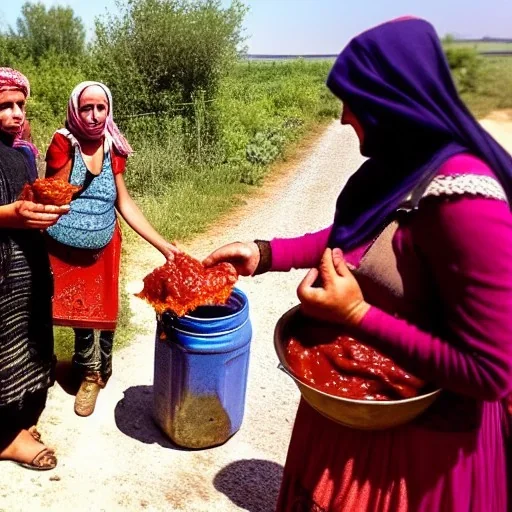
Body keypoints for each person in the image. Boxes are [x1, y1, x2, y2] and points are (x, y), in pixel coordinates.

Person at [203, 17, 512, 512]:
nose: (344, 118)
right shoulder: (399, 169)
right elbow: (363, 239)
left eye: (355, 102)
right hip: (355, 416)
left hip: (422, 453)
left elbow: (491, 372)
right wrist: (266, 253)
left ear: (394, 100)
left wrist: (355, 316)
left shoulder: (468, 202)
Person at [44, 81, 179, 417]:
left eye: (100, 108)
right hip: (64, 245)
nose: (93, 116)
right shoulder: (64, 143)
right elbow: (53, 195)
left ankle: (101, 369)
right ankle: (85, 372)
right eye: (86, 108)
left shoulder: (114, 146)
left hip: (104, 244)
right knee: (78, 309)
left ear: (109, 110)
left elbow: (124, 201)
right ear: (75, 110)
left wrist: (163, 245)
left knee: (103, 308)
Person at [0, 68, 70, 470]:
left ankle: (16, 421)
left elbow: (29, 198)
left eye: (20, 105)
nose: (15, 114)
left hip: (27, 264)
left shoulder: (23, 151)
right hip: (3, 267)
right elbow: (11, 209)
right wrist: (13, 214)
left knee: (25, 337)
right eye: (4, 106)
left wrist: (45, 210)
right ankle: (6, 437)